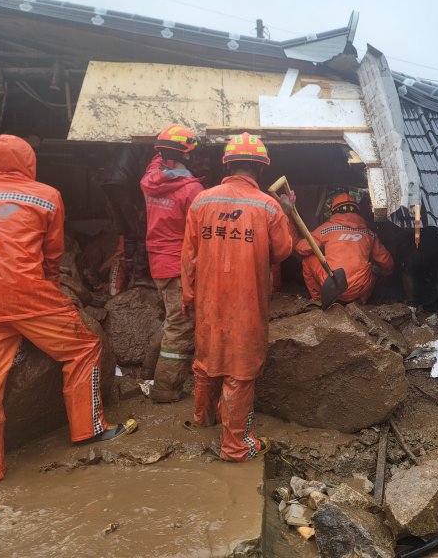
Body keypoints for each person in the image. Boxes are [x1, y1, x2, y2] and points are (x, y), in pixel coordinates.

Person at [0, 135, 135, 483]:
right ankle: (89, 428)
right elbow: (52, 256)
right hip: (26, 292)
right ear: (28, 161)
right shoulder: (45, 195)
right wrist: (53, 294)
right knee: (85, 346)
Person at [181, 132, 294, 462]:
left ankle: (201, 421)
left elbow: (188, 254)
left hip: (207, 298)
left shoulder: (202, 200)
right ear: (260, 169)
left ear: (227, 164)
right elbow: (283, 251)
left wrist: (188, 295)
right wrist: (287, 212)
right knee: (240, 371)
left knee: (206, 361)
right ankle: (235, 446)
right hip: (246, 299)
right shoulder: (268, 206)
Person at [140, 124, 204, 402]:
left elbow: (159, 159)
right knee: (180, 328)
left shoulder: (151, 179)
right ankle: (165, 390)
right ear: (187, 155)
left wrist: (164, 146)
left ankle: (146, 372)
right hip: (179, 266)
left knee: (172, 319)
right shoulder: (192, 190)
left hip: (158, 262)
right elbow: (200, 235)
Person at [297, 193, 394, 304]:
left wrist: (311, 238)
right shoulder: (369, 234)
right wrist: (386, 274)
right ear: (357, 211)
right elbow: (387, 262)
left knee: (308, 259)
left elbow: (301, 248)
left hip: (331, 285)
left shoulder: (326, 229)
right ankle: (362, 301)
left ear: (334, 211)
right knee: (374, 268)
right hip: (359, 288)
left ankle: (319, 299)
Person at [99, 144, 152, 289]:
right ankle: (140, 276)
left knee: (128, 232)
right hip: (127, 184)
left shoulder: (123, 143)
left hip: (109, 183)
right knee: (141, 230)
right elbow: (144, 175)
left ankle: (130, 274)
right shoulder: (146, 147)